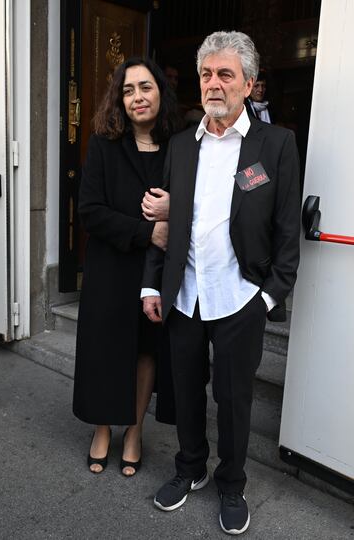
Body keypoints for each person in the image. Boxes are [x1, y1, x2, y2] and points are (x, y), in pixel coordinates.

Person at [141, 31, 300, 535]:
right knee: (186, 392)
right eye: (207, 73)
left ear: (249, 84)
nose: (213, 84)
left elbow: (286, 231)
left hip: (239, 298)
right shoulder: (183, 144)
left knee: (233, 400)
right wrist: (152, 285)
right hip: (185, 294)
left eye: (225, 74)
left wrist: (269, 295)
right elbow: (165, 228)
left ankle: (232, 484)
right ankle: (190, 470)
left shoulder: (275, 144)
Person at [73, 57, 179, 476]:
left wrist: (172, 215)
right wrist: (147, 232)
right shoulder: (103, 143)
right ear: (120, 99)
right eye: (128, 89)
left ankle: (133, 432)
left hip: (155, 273)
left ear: (160, 93)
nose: (137, 97)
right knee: (105, 351)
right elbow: (90, 211)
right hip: (110, 267)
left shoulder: (181, 147)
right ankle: (102, 429)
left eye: (145, 87)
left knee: (145, 352)